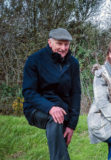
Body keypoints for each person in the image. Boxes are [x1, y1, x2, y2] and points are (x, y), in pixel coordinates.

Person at [22, 28, 81, 160]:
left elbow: (76, 94)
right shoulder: (34, 60)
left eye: (66, 44)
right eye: (59, 44)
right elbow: (28, 92)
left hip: (63, 109)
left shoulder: (73, 64)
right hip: (36, 108)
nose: (63, 48)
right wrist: (50, 108)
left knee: (60, 136)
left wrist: (72, 125)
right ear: (50, 42)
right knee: (55, 119)